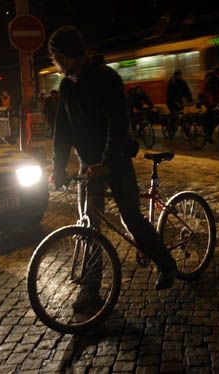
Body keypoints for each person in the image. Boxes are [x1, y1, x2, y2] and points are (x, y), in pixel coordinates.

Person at [48, 26, 178, 311]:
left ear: (67, 55)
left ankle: (167, 264)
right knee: (89, 224)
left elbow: (117, 124)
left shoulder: (106, 78)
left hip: (114, 160)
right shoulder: (67, 86)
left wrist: (106, 162)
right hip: (88, 163)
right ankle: (90, 290)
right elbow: (62, 131)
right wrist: (58, 167)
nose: (54, 61)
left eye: (55, 55)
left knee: (131, 218)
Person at [201, 65, 219, 143]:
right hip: (205, 98)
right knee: (211, 115)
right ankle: (207, 134)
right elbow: (208, 93)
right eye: (218, 73)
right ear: (215, 73)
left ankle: (209, 131)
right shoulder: (210, 79)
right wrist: (212, 105)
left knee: (218, 116)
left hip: (214, 98)